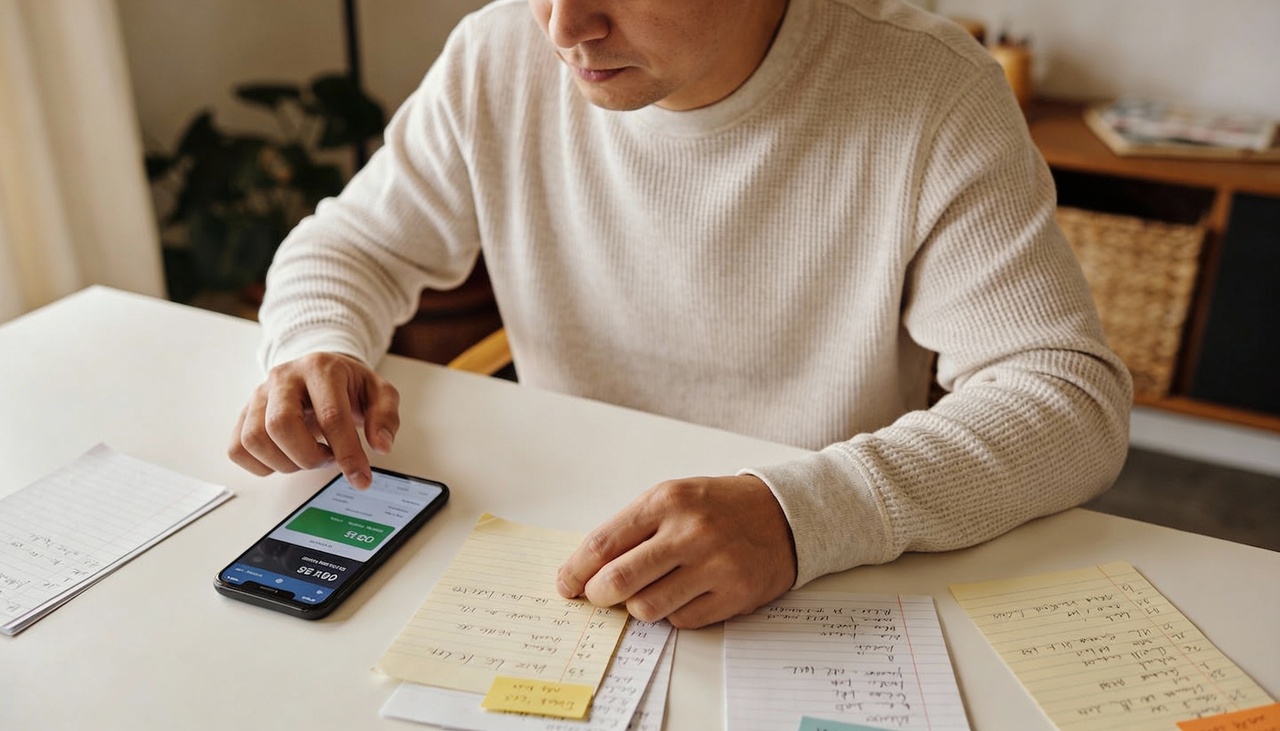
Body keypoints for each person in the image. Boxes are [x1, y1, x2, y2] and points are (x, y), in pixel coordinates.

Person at [228, 0, 1132, 629]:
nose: (563, 27)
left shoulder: (931, 89)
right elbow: (350, 244)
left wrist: (799, 514)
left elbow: (1066, 398)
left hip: (825, 576)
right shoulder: (496, 54)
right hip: (560, 543)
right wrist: (316, 342)